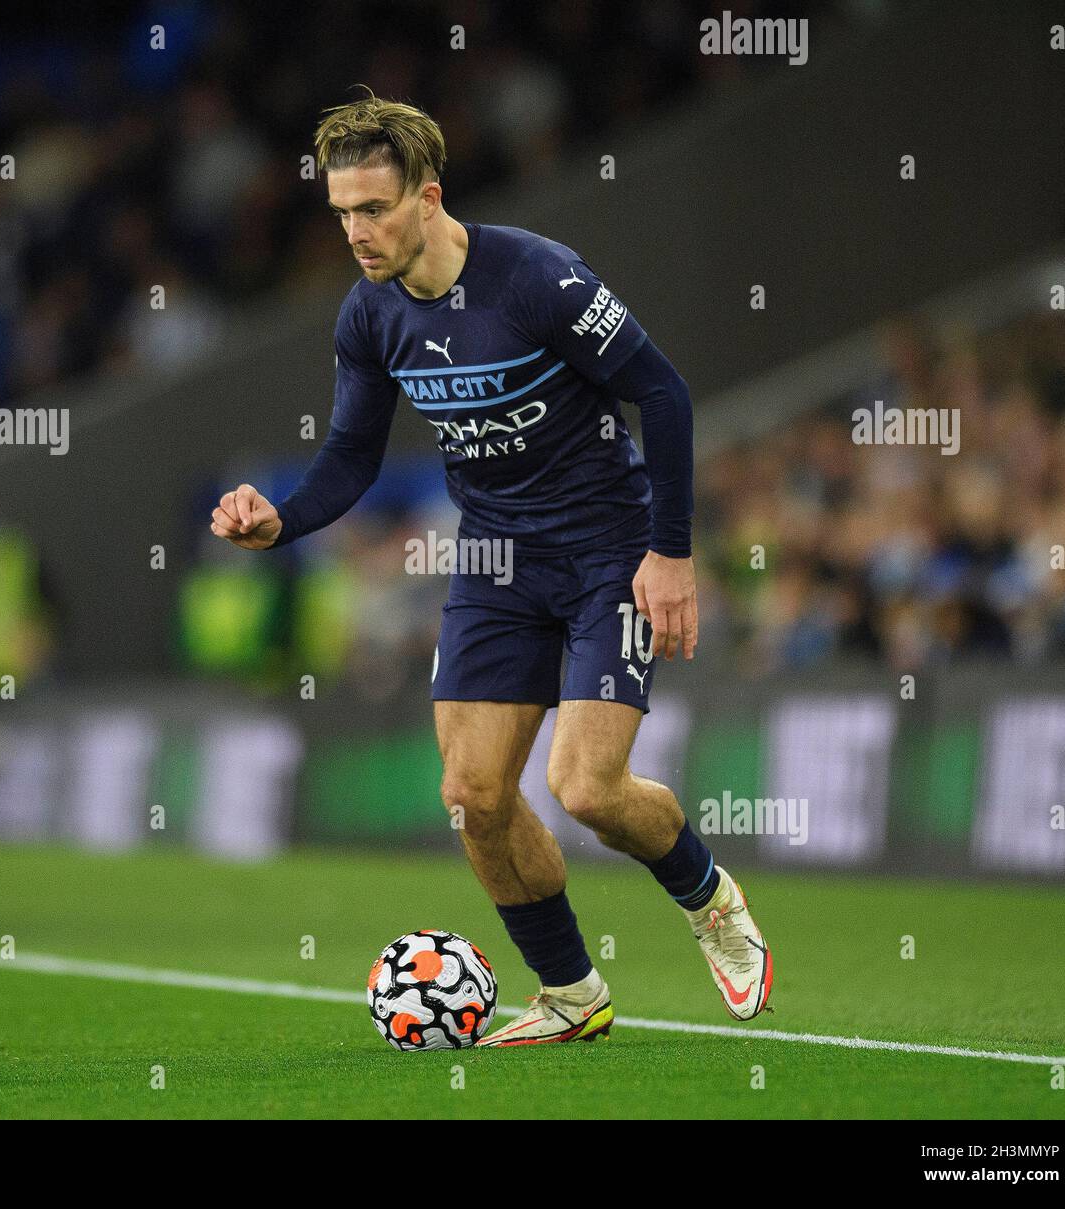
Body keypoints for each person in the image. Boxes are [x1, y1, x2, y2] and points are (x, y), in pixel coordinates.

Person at [212, 91, 772, 1044]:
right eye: (341, 211)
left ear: (429, 197)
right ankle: (570, 993)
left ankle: (710, 899)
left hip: (607, 550)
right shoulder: (367, 315)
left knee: (588, 788)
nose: (355, 230)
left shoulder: (537, 278)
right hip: (495, 560)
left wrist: (671, 552)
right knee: (473, 798)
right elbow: (352, 455)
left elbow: (662, 393)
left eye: (374, 208)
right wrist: (284, 522)